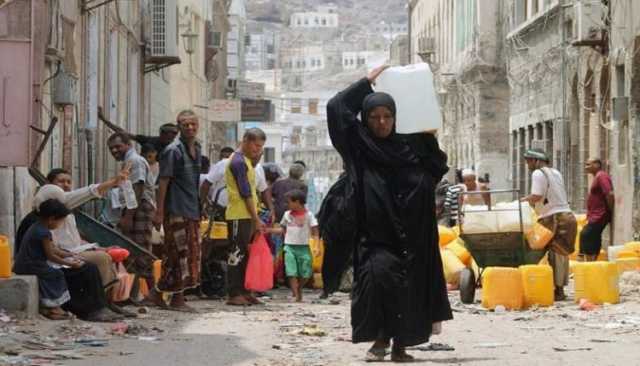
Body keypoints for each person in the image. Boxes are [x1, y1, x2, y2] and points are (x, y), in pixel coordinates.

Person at [327, 65, 452, 362]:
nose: (381, 122)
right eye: (374, 117)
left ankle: (400, 346)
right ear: (366, 119)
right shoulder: (358, 145)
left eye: (387, 116)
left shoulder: (413, 146)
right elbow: (336, 108)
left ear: (396, 118)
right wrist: (366, 82)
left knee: (410, 287)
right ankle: (380, 339)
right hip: (376, 234)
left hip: (414, 232)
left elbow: (436, 166)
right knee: (378, 279)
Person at [14, 197, 120, 322]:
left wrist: (70, 255)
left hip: (35, 263)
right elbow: (51, 255)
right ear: (52, 219)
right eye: (60, 221)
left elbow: (54, 250)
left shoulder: (39, 226)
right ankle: (55, 306)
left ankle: (98, 307)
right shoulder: (42, 232)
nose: (60, 225)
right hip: (32, 265)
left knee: (88, 268)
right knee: (61, 274)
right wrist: (69, 263)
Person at [152, 110, 203, 312]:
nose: (190, 128)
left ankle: (158, 294)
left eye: (192, 124)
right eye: (185, 125)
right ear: (179, 127)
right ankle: (176, 299)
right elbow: (163, 183)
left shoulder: (197, 148)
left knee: (188, 254)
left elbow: (195, 181)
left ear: (197, 125)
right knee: (177, 254)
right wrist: (159, 211)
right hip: (175, 209)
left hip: (191, 209)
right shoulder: (173, 151)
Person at [521, 148, 577, 301]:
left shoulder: (538, 173)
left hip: (555, 218)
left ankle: (558, 290)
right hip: (567, 216)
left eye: (529, 161)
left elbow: (536, 196)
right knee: (560, 254)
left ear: (536, 160)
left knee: (555, 253)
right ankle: (557, 288)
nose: (528, 165)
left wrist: (519, 202)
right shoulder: (555, 172)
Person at [108, 132, 158, 302]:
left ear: (128, 145)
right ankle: (133, 294)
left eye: (118, 146)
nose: (114, 151)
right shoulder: (128, 161)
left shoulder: (135, 161)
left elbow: (137, 189)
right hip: (134, 208)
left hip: (139, 208)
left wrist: (128, 217)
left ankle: (153, 293)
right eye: (111, 148)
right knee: (132, 251)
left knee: (140, 249)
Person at [224, 128, 266, 306]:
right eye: (256, 146)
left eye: (261, 147)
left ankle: (244, 290)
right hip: (238, 214)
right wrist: (256, 218)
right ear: (246, 141)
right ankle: (234, 293)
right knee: (236, 254)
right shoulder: (238, 162)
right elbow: (245, 192)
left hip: (246, 214)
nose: (258, 150)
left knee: (245, 254)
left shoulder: (246, 161)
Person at [268, 189, 319, 302]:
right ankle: (296, 294)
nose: (287, 204)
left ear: (297, 202)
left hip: (304, 247)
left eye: (289, 202)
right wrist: (269, 230)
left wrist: (316, 246)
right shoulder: (287, 215)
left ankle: (299, 287)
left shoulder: (309, 215)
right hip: (289, 247)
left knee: (306, 273)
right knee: (291, 272)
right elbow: (282, 229)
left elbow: (315, 232)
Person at [580, 158, 614, 261]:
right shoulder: (597, 177)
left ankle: (591, 262)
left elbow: (609, 193)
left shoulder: (601, 176)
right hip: (596, 214)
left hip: (600, 214)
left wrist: (610, 210)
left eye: (588, 164)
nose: (586, 167)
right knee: (593, 237)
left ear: (597, 165)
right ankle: (592, 261)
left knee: (586, 234)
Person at [101, 114, 178, 156]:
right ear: (161, 133)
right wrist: (105, 120)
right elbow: (124, 133)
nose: (170, 136)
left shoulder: (177, 149)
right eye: (167, 134)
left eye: (173, 134)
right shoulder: (151, 141)